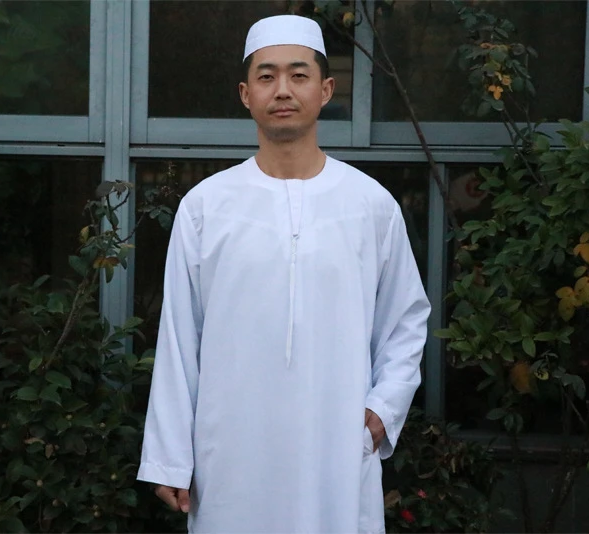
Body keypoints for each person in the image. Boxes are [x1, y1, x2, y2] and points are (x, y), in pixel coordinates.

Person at [137, 14, 431, 534]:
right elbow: (180, 336)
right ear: (246, 94)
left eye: (299, 75)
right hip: (230, 450)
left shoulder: (370, 205)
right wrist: (170, 455)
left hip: (337, 448)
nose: (283, 90)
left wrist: (383, 410)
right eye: (267, 76)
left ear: (326, 89)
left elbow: (405, 319)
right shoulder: (206, 207)